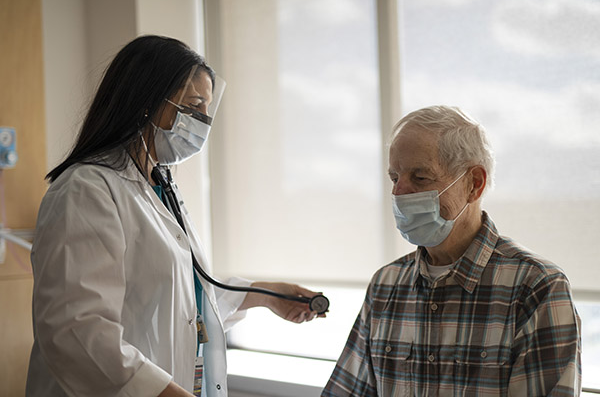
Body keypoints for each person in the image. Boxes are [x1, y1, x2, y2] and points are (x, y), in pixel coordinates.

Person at [26, 35, 323, 397]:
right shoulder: (86, 191)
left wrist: (266, 294)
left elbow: (181, 305)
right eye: (194, 106)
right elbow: (76, 332)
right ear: (146, 101)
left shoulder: (159, 184)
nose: (202, 123)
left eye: (206, 110)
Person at [323, 106, 581, 396]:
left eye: (420, 178)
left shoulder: (536, 287)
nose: (398, 193)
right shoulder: (385, 285)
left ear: (474, 184)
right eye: (395, 178)